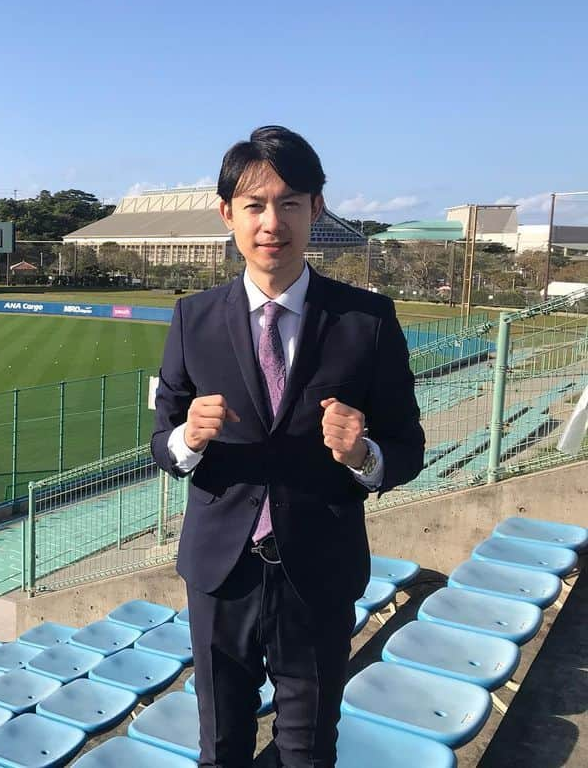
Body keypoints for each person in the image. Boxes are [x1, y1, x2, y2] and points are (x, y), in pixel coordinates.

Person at [150, 126, 425, 767]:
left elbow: (408, 445)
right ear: (228, 214)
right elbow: (161, 444)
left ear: (315, 209)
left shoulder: (367, 320)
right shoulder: (194, 318)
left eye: (290, 203)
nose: (272, 221)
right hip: (221, 574)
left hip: (319, 573)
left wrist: (364, 454)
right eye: (253, 205)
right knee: (220, 747)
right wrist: (188, 437)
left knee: (306, 751)